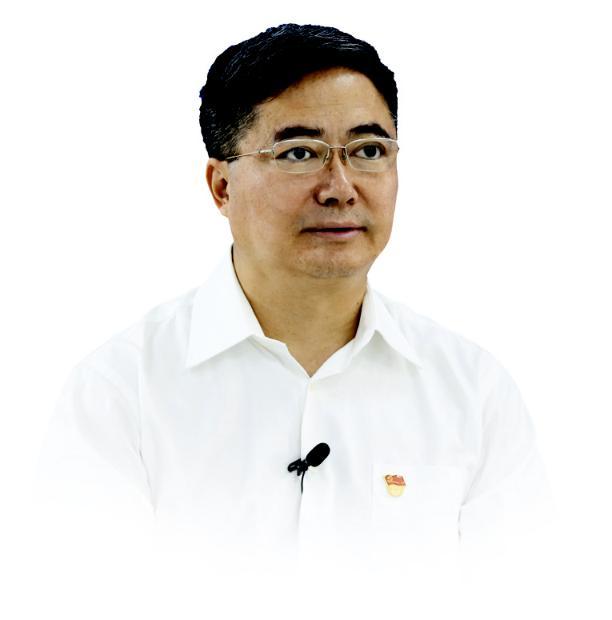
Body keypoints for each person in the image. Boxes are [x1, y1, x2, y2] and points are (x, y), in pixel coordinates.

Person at [34, 23, 554, 576]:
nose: (340, 188)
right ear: (222, 187)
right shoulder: (121, 392)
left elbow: (520, 593)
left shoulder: (473, 391)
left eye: (369, 150)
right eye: (300, 153)